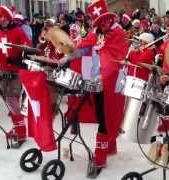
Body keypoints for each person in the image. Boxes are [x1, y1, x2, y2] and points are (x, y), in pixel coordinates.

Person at [58, 0, 129, 177]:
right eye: (99, 22)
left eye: (105, 21)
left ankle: (100, 156)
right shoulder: (96, 34)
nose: (102, 25)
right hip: (97, 81)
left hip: (111, 83)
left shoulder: (119, 34)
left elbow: (115, 60)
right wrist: (66, 58)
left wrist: (103, 76)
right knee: (100, 115)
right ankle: (110, 145)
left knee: (107, 116)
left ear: (110, 19)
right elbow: (81, 48)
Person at [0, 5, 32, 148]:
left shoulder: (18, 32)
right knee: (9, 103)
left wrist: (19, 59)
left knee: (12, 100)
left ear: (8, 17)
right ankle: (17, 126)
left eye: (2, 17)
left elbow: (29, 50)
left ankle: (21, 132)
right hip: (2, 72)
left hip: (15, 72)